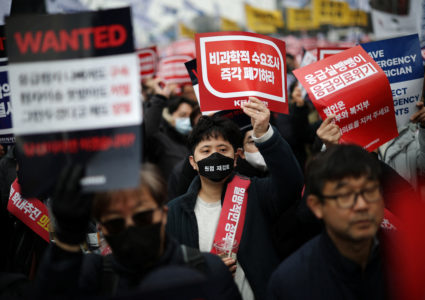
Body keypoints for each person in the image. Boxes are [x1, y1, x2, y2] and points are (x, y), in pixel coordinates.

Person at [166, 97, 304, 300]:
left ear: (237, 157)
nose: (215, 156)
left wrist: (264, 134)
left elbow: (291, 182)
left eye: (223, 150)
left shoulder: (257, 193)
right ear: (193, 163)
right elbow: (167, 272)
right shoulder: (175, 212)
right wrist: (205, 271)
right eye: (205, 150)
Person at [35, 164, 241, 299]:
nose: (130, 226)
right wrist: (67, 240)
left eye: (142, 216)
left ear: (164, 214)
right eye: (116, 223)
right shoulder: (93, 275)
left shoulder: (208, 270)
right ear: (102, 229)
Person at [267, 144, 389, 300]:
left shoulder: (413, 257)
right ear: (316, 206)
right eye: (345, 196)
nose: (362, 205)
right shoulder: (289, 283)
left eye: (370, 191)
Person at [143, 78, 197, 180]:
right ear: (170, 116)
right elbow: (149, 131)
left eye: (190, 117)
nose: (187, 120)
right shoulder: (161, 140)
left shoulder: (197, 143)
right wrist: (160, 98)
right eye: (182, 115)